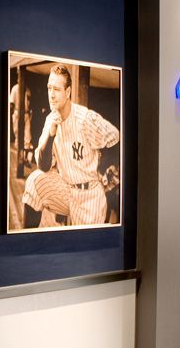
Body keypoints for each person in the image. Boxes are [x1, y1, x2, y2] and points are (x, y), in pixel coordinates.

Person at [22, 64, 120, 227]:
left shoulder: (85, 119)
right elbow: (43, 166)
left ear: (67, 92)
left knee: (85, 248)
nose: (51, 95)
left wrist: (105, 172)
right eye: (49, 88)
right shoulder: (50, 120)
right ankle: (23, 242)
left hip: (89, 196)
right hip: (67, 190)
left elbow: (115, 137)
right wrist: (51, 135)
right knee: (34, 181)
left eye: (57, 89)